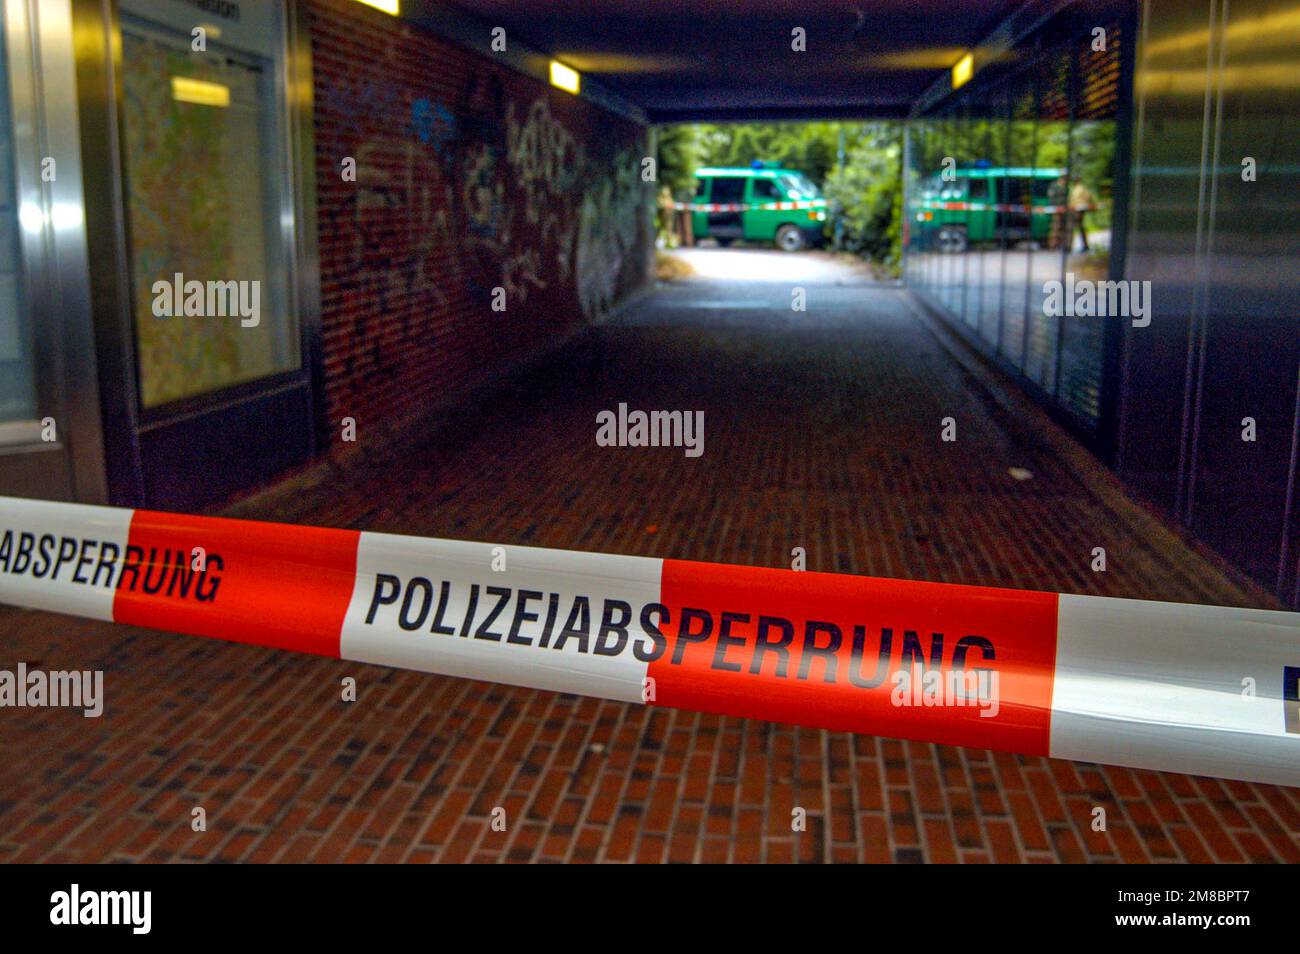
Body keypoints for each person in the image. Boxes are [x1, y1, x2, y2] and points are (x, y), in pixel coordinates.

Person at [1069, 180, 1097, 252]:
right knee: (1080, 227)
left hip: (1077, 210)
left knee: (1072, 227)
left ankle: (1069, 246)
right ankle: (1085, 245)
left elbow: (1074, 200)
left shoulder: (1077, 190)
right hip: (1081, 209)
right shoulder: (1084, 189)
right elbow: (1089, 197)